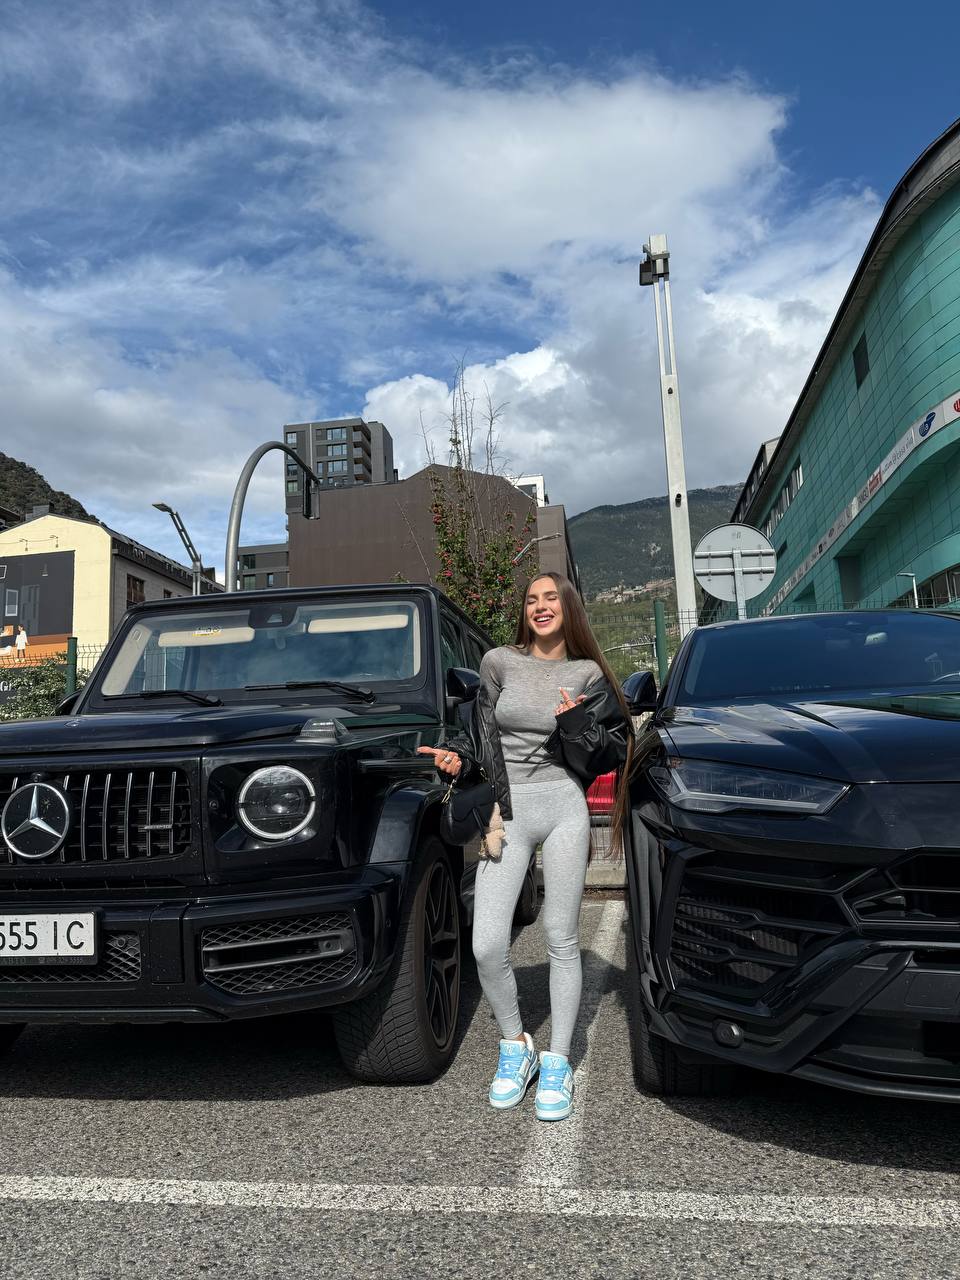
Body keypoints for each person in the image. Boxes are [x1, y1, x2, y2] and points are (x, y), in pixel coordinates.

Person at [417, 573, 633, 1122]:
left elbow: (607, 753)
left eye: (550, 598)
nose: (540, 606)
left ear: (568, 607)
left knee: (562, 937)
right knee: (487, 942)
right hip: (506, 811)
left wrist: (576, 722)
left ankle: (558, 1059)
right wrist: (459, 760)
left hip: (563, 807)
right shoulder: (499, 663)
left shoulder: (588, 674)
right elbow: (479, 733)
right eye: (532, 599)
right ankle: (517, 1045)